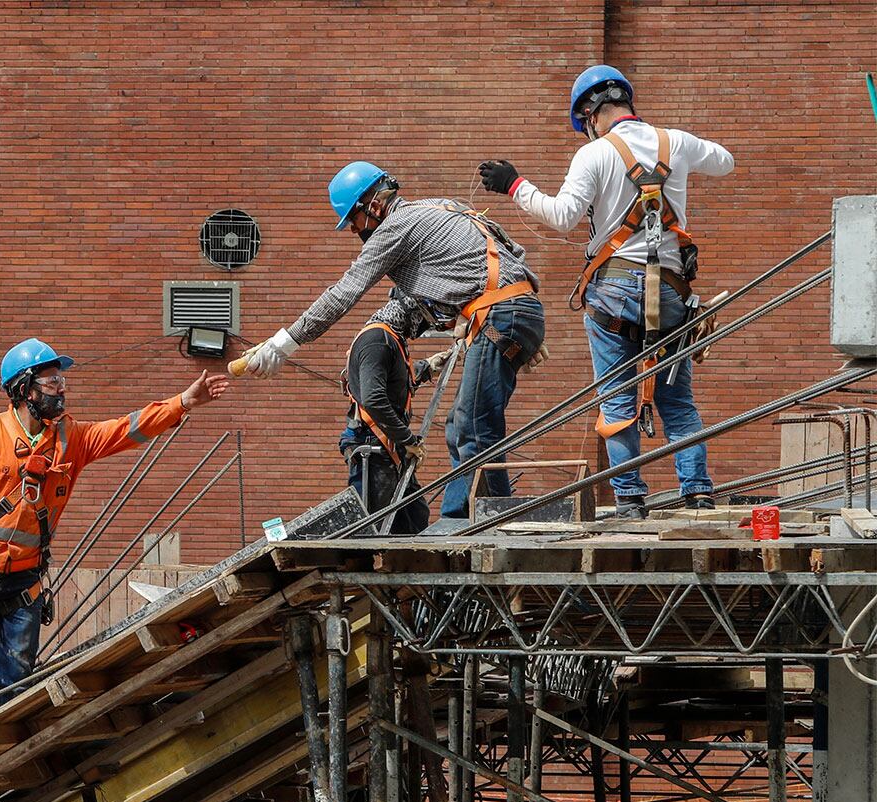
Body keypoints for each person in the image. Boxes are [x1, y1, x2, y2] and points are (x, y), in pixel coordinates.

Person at [0, 338, 229, 775]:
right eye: (51, 381)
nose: (61, 389)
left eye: (61, 380)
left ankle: (2, 763)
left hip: (22, 580)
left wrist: (183, 403)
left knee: (15, 677)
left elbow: (125, 429)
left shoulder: (71, 438)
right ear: (24, 388)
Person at [478, 65, 732, 518]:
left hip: (614, 291)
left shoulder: (594, 155)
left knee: (617, 397)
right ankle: (698, 494)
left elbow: (562, 215)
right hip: (672, 291)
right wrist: (681, 159)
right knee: (678, 401)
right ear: (625, 101)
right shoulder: (676, 141)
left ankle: (630, 502)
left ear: (591, 114)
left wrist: (514, 184)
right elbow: (726, 161)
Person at [238, 162, 547, 519]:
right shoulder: (441, 206)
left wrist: (283, 343)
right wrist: (524, 327)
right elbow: (508, 251)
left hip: (499, 313)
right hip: (511, 311)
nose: (355, 231)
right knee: (460, 425)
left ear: (372, 205)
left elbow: (345, 292)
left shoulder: (394, 228)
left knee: (475, 427)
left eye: (353, 221)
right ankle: (458, 516)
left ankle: (497, 518)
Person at [340, 293, 441, 535]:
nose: (422, 329)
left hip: (390, 448)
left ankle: (403, 568)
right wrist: (408, 440)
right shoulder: (378, 340)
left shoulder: (391, 339)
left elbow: (393, 381)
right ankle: (362, 569)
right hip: (373, 449)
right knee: (372, 530)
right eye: (422, 321)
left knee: (413, 518)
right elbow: (373, 399)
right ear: (410, 313)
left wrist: (427, 368)